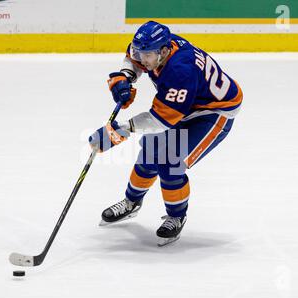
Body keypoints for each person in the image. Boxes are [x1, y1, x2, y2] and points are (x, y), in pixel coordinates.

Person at [89, 21, 243, 246]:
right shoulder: (158, 48)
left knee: (170, 160)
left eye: (147, 56)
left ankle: (176, 216)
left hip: (213, 111)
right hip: (187, 103)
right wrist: (125, 76)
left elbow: (159, 120)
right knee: (151, 151)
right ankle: (131, 203)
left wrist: (117, 132)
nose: (142, 60)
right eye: (139, 53)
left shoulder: (180, 70)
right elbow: (133, 57)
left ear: (163, 51)